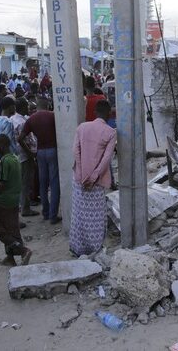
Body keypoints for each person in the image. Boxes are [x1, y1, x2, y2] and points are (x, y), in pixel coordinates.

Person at [69, 101, 116, 256]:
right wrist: (93, 177)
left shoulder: (81, 127)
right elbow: (106, 159)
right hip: (96, 183)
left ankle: (77, 248)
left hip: (79, 180)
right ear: (109, 113)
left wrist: (82, 175)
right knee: (96, 219)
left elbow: (76, 152)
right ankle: (94, 250)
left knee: (79, 216)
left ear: (95, 112)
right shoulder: (110, 132)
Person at [0, 134, 32, 267]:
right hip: (14, 199)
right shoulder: (13, 158)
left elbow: (2, 184)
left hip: (5, 200)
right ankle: (10, 257)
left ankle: (23, 250)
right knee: (12, 228)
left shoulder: (5, 161)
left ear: (1, 146)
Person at [19, 98, 61, 224]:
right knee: (54, 183)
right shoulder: (53, 116)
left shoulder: (31, 119)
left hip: (40, 152)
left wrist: (30, 153)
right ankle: (53, 215)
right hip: (53, 150)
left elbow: (20, 138)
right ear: (48, 105)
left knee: (43, 183)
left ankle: (46, 213)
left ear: (37, 106)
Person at [11, 97, 39, 217]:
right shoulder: (21, 122)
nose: (29, 108)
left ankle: (23, 206)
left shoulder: (13, 119)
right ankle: (26, 208)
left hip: (19, 155)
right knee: (26, 182)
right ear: (22, 107)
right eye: (27, 106)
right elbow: (22, 140)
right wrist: (31, 154)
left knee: (22, 182)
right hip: (25, 156)